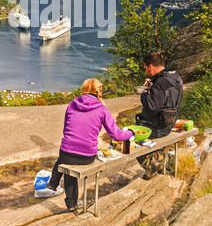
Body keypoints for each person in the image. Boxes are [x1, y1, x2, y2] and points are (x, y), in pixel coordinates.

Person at [46, 78, 134, 212]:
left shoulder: (72, 104)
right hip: (87, 155)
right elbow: (116, 135)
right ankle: (67, 198)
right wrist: (130, 132)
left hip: (66, 153)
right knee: (72, 159)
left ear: (83, 90)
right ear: (99, 92)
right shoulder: (101, 109)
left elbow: (66, 130)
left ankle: (69, 201)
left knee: (66, 159)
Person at [135, 52, 183, 178]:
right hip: (169, 123)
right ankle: (160, 161)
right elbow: (165, 99)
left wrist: (144, 93)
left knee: (129, 137)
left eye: (145, 68)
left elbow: (152, 106)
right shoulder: (175, 77)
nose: (146, 72)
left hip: (156, 128)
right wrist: (153, 87)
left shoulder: (161, 82)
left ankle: (154, 166)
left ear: (150, 66)